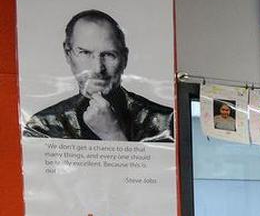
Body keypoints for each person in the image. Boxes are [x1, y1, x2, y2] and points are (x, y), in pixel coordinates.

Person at [23, 9, 173, 142]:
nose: (98, 68)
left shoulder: (165, 121)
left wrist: (113, 134)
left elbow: (153, 174)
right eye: (85, 53)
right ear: (67, 54)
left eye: (109, 54)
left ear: (124, 58)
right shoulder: (42, 125)